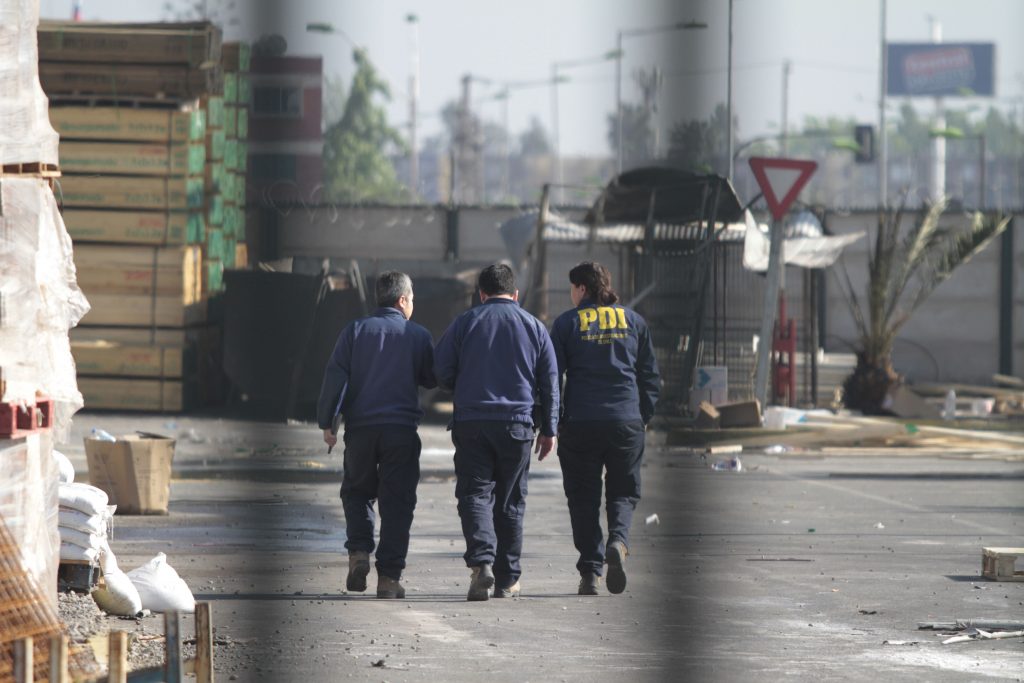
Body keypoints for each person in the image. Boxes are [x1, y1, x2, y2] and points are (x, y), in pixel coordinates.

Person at [434, 264, 558, 601]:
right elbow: (550, 383)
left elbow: (441, 371)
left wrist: (464, 383)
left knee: (475, 495)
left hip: (472, 423)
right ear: (515, 294)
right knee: (511, 500)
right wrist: (550, 429)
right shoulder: (535, 327)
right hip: (518, 425)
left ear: (481, 294)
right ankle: (508, 580)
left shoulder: (465, 322)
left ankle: (481, 564)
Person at [316, 271, 436, 599]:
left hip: (361, 431)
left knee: (357, 492)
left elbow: (335, 377)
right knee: (397, 503)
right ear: (402, 300)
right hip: (401, 432)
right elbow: (431, 377)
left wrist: (327, 422)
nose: (413, 304)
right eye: (412, 298)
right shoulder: (418, 334)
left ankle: (358, 553)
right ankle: (389, 579)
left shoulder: (354, 331)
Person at [549, 261, 659, 596]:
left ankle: (590, 573)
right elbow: (650, 376)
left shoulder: (567, 324)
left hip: (581, 423)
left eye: (572, 288)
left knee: (583, 497)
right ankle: (618, 542)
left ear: (582, 288)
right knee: (623, 491)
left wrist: (555, 421)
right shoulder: (634, 321)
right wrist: (642, 416)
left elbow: (552, 378)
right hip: (625, 420)